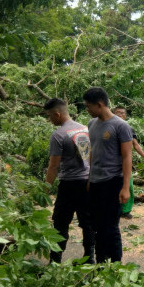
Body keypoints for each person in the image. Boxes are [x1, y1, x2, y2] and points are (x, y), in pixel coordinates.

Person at [83, 87, 134, 263]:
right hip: (96, 182)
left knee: (111, 226)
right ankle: (101, 261)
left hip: (113, 182)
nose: (87, 109)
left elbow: (127, 157)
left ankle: (116, 263)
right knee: (97, 225)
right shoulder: (91, 124)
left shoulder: (121, 126)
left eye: (88, 106)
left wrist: (126, 187)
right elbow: (92, 152)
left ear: (100, 104)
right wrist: (89, 178)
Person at [43, 98, 95, 264]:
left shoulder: (58, 135)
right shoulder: (86, 129)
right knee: (87, 223)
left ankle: (55, 262)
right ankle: (89, 259)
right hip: (87, 181)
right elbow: (92, 157)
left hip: (69, 184)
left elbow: (53, 166)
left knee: (60, 223)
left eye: (50, 116)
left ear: (57, 114)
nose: (50, 119)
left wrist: (44, 189)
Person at [112, 106, 144, 219]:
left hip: (124, 163)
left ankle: (125, 210)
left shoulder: (128, 128)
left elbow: (135, 144)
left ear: (125, 116)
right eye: (117, 112)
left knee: (128, 186)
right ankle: (114, 209)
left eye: (122, 113)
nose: (119, 114)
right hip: (110, 163)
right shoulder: (108, 127)